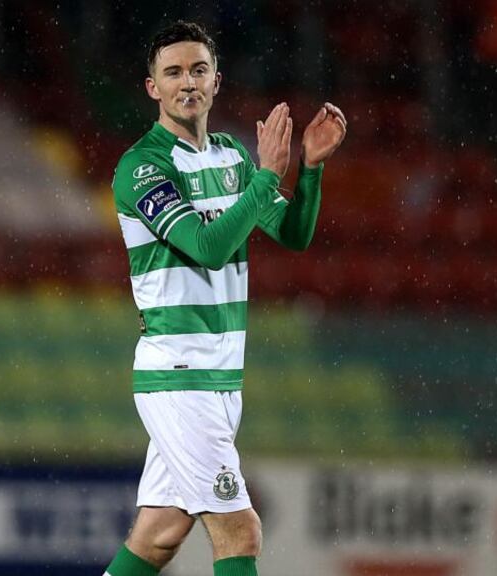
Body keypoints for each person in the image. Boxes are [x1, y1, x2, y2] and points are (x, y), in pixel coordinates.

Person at [104, 21, 346, 576]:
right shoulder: (144, 167)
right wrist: (266, 177)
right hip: (179, 374)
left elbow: (294, 235)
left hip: (220, 376)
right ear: (152, 88)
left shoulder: (233, 158)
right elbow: (207, 247)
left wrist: (309, 169)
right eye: (173, 72)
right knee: (240, 531)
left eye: (198, 70)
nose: (187, 82)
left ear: (216, 81)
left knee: (159, 535)